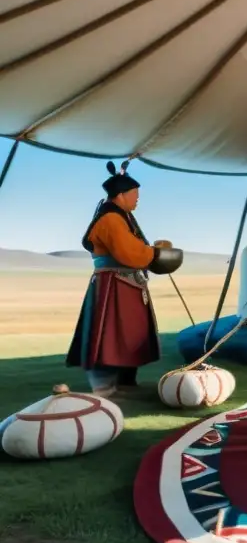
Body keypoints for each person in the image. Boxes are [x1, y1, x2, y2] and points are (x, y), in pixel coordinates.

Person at [66, 161, 173, 396]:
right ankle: (104, 385)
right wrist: (155, 253)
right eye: (134, 194)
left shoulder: (121, 217)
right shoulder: (111, 220)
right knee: (109, 336)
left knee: (128, 334)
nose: (137, 199)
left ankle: (124, 382)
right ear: (121, 195)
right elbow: (129, 251)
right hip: (113, 286)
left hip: (126, 284)